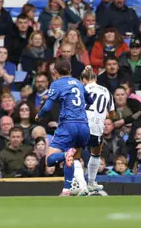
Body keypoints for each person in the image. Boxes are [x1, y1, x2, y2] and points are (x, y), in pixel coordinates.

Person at [35, 59, 91, 196]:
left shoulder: (57, 83)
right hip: (84, 126)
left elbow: (48, 107)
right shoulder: (78, 83)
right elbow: (90, 101)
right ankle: (68, 189)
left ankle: (66, 158)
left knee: (50, 159)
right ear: (70, 70)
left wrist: (39, 115)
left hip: (68, 125)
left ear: (55, 71)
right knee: (73, 157)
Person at [80, 66, 115, 195]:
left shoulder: (81, 89)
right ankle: (91, 182)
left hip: (82, 125)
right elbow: (112, 115)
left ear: (83, 79)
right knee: (96, 153)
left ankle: (79, 183)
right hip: (96, 127)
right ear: (95, 78)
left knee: (76, 155)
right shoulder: (106, 91)